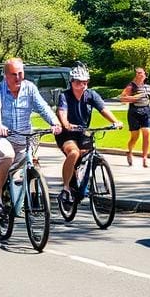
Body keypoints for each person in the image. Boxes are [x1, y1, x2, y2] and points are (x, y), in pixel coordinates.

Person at [0, 57, 61, 220]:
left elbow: (43, 107)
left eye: (21, 73)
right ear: (5, 75)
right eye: (14, 74)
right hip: (3, 136)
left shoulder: (30, 88)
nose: (18, 77)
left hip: (25, 136)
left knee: (32, 164)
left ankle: (32, 199)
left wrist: (55, 122)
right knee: (7, 157)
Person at [55, 65, 122, 204]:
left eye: (85, 82)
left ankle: (80, 184)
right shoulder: (64, 96)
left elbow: (103, 109)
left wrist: (115, 121)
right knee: (74, 153)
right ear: (72, 82)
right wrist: (66, 123)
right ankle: (66, 188)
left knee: (87, 155)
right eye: (78, 82)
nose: (82, 85)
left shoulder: (91, 95)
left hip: (82, 132)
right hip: (67, 134)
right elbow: (62, 112)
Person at [120, 67, 150, 167]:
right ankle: (129, 152)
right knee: (135, 137)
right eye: (137, 73)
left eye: (141, 73)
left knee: (147, 133)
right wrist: (135, 98)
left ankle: (145, 158)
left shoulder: (148, 87)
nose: (139, 75)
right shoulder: (131, 86)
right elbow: (122, 98)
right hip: (134, 112)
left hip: (146, 111)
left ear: (145, 75)